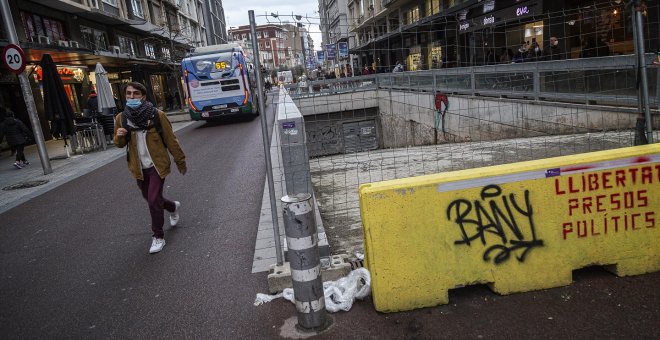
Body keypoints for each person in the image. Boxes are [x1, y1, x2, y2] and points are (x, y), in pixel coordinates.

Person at [114, 81, 187, 254]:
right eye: (128, 94)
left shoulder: (156, 115)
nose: (131, 97)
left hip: (157, 165)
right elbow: (119, 144)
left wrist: (180, 161)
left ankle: (158, 237)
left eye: (136, 94)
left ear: (143, 96)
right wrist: (119, 136)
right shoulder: (121, 118)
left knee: (154, 200)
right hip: (138, 168)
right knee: (151, 199)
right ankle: (172, 207)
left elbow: (171, 140)